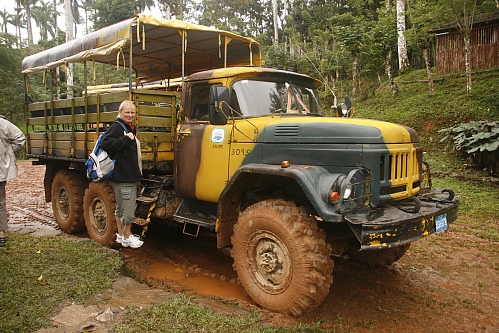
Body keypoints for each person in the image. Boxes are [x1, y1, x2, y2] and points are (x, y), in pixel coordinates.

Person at [101, 101, 143, 249]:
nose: (130, 115)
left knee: (121, 207)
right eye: (127, 112)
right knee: (128, 207)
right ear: (120, 112)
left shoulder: (127, 127)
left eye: (132, 113)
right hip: (124, 176)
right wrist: (126, 139)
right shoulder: (117, 127)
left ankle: (120, 235)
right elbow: (106, 143)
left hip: (125, 175)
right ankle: (127, 236)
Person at [0, 115, 26, 247]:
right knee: (0, 202)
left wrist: (7, 151)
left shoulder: (2, 123)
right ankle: (1, 234)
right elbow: (20, 139)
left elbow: (20, 139)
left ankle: (1, 234)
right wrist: (8, 152)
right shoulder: (3, 123)